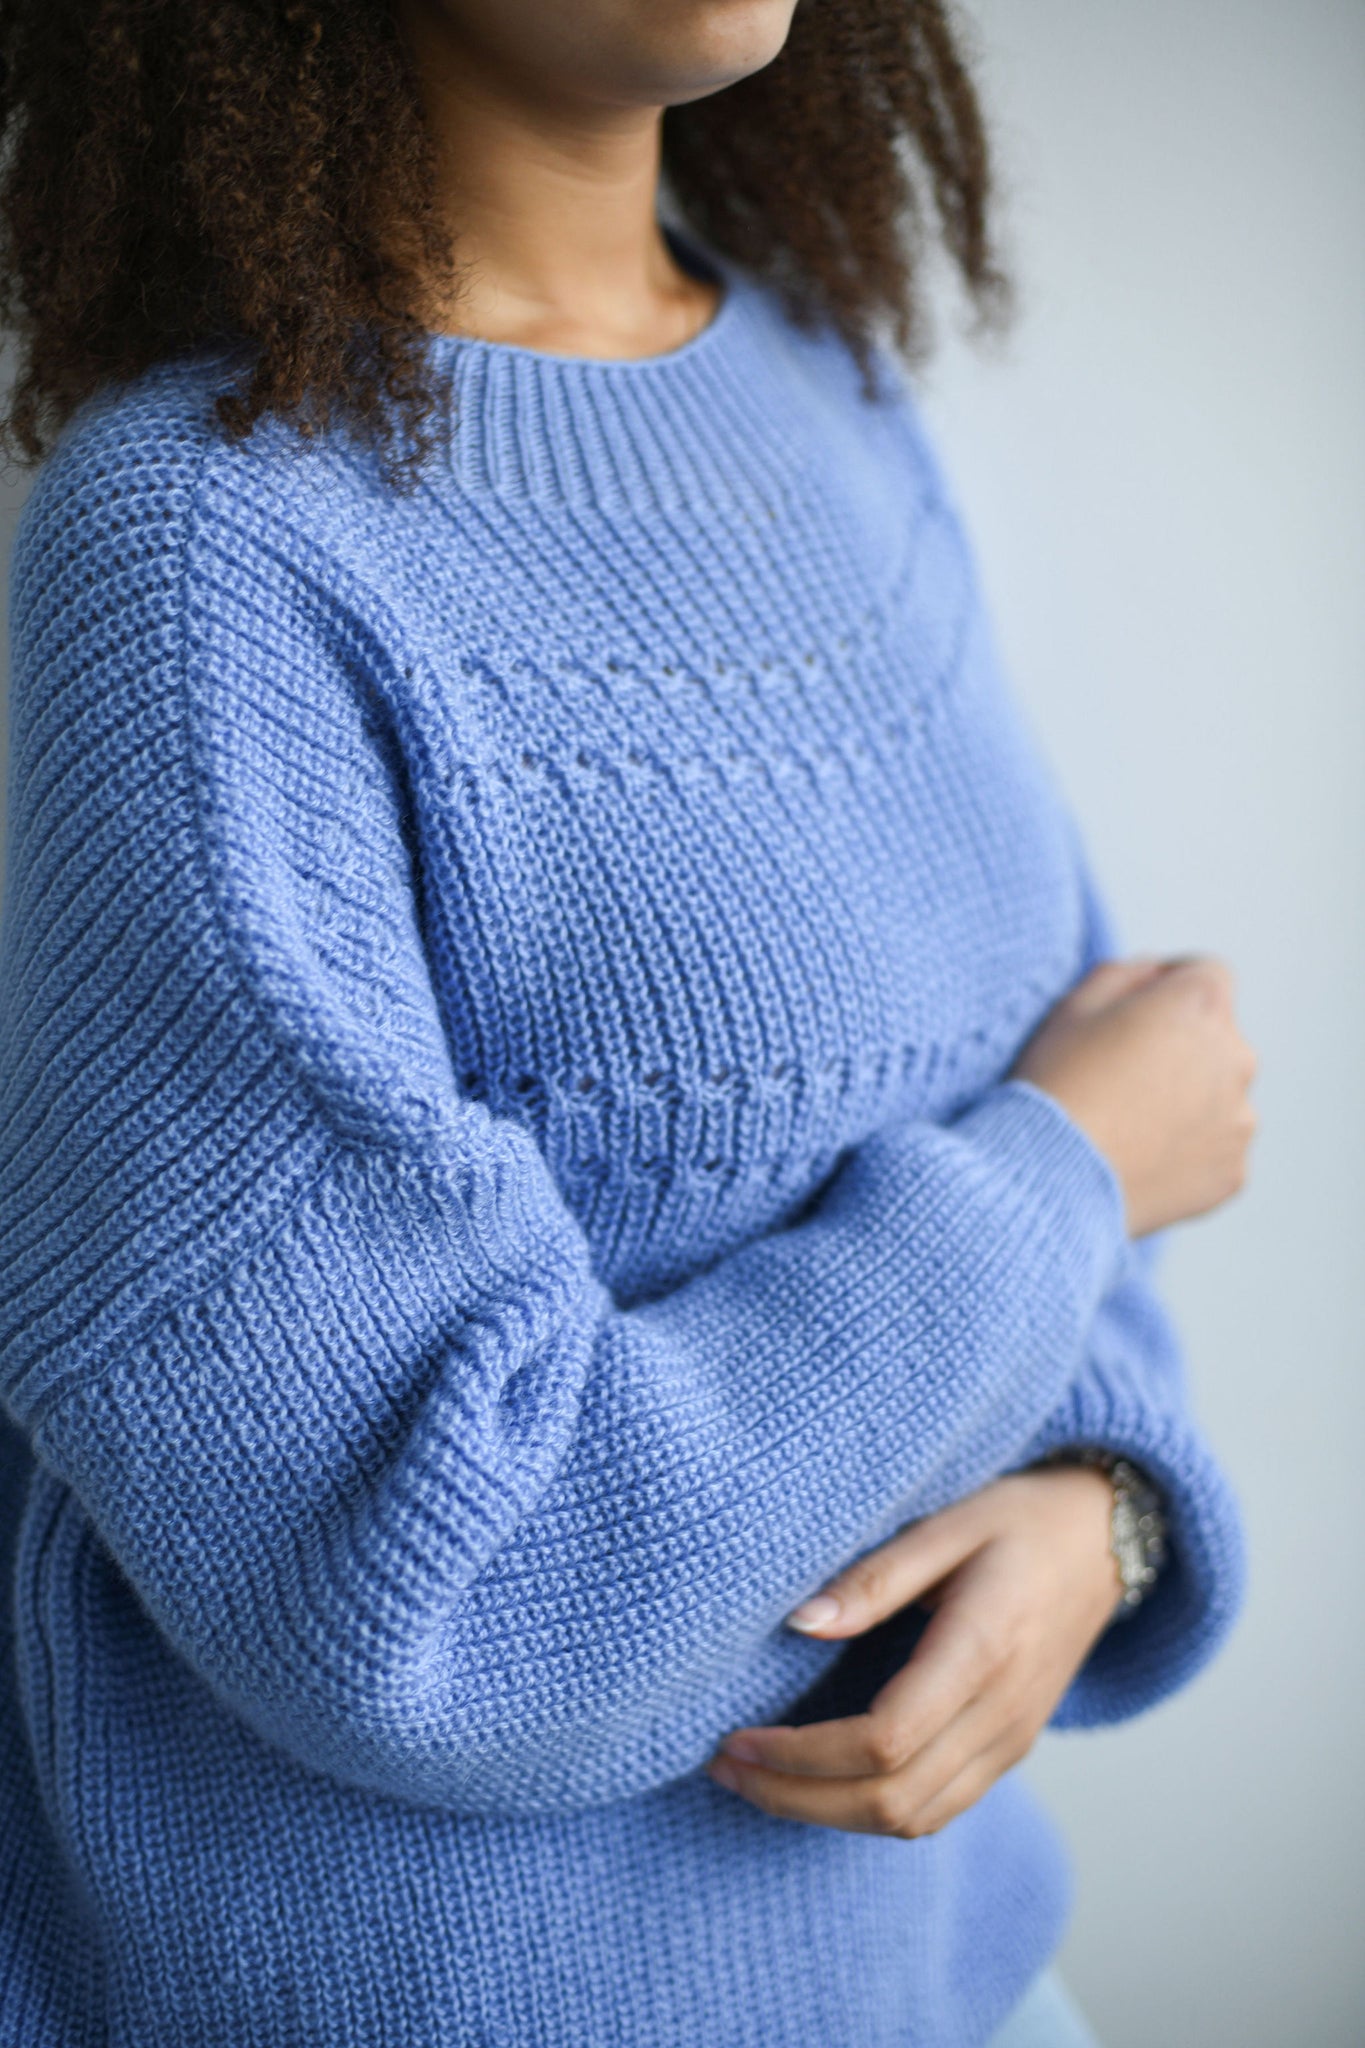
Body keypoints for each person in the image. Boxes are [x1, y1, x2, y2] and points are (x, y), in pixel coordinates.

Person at [0, 2, 1255, 2043]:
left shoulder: (826, 387)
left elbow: (1067, 1098)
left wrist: (1095, 1508)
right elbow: (429, 1584)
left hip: (954, 1979)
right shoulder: (203, 557)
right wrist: (1059, 1181)